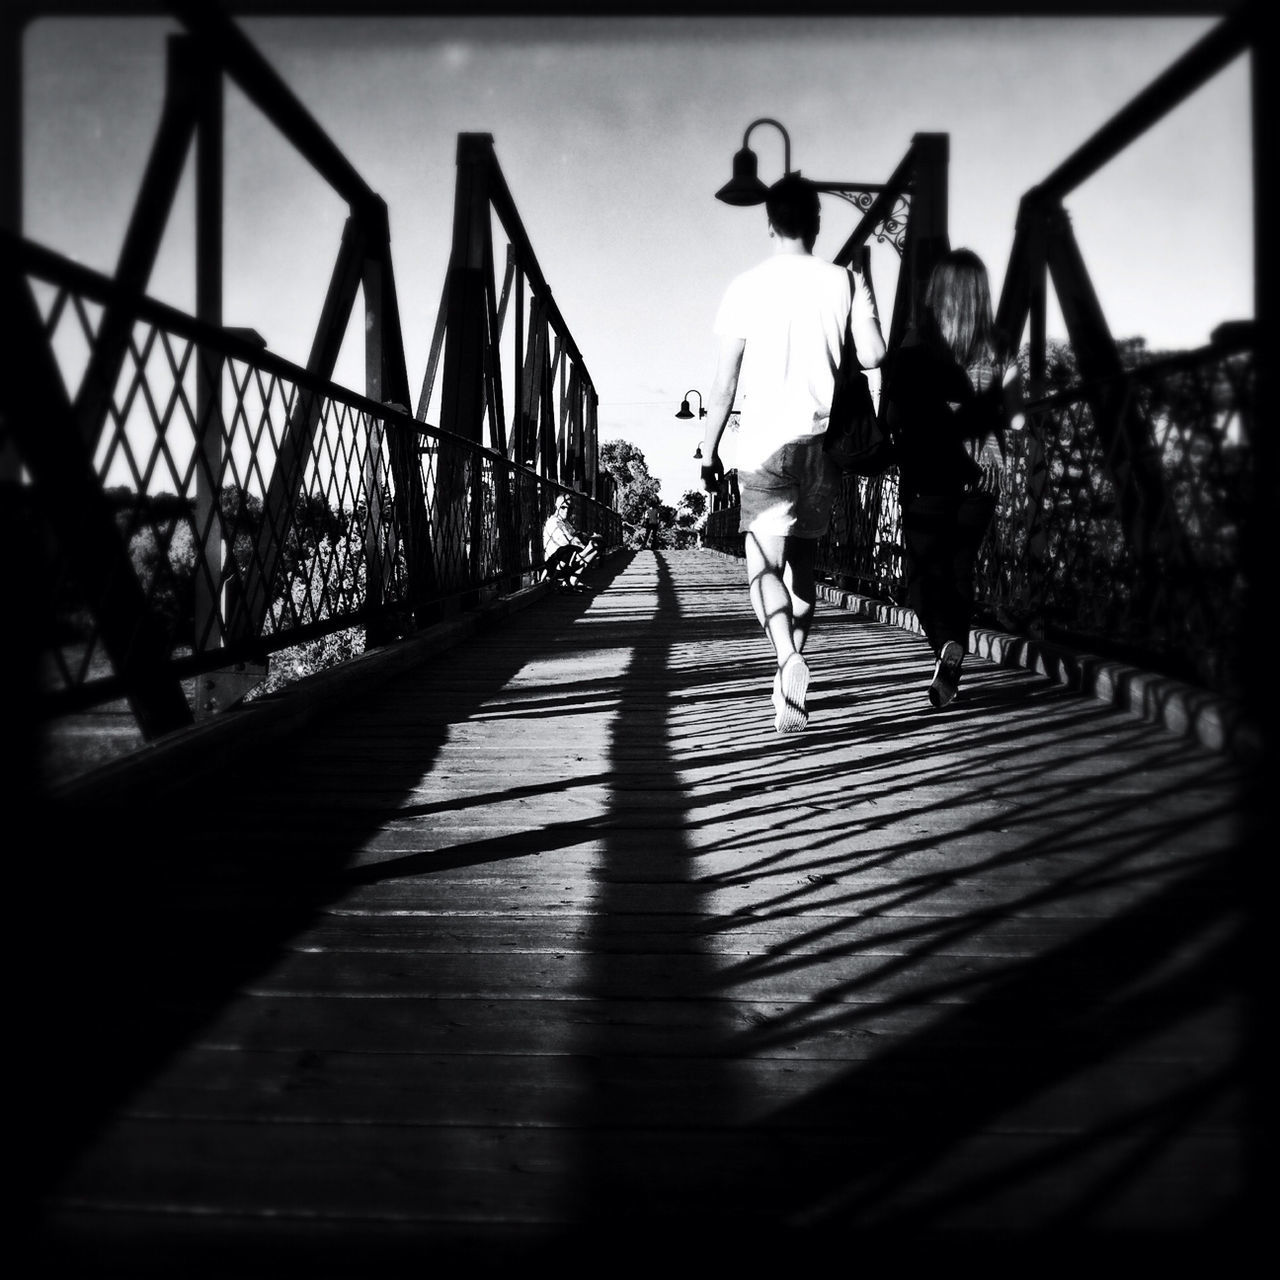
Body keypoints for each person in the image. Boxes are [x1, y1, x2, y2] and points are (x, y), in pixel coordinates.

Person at [700, 173, 886, 733]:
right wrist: (865, 304)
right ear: (817, 222)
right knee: (804, 565)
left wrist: (707, 448)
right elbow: (874, 354)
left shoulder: (745, 286)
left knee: (763, 563)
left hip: (762, 446)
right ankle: (788, 689)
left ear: (770, 223)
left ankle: (786, 658)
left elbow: (724, 382)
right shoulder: (844, 281)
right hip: (824, 446)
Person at [880, 247, 1024, 709]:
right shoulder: (1000, 344)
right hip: (985, 471)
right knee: (960, 569)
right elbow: (1017, 421)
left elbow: (896, 409)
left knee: (922, 574)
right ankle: (951, 662)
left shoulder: (917, 341)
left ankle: (945, 646)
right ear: (982, 294)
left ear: (937, 289)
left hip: (931, 468)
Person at [542, 492, 601, 594]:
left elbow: (576, 534)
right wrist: (585, 547)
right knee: (573, 549)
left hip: (565, 558)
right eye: (563, 507)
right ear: (557, 506)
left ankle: (572, 581)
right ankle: (559, 580)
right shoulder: (554, 522)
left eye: (569, 509)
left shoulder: (565, 522)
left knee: (594, 547)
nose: (566, 511)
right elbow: (568, 540)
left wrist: (590, 538)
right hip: (554, 561)